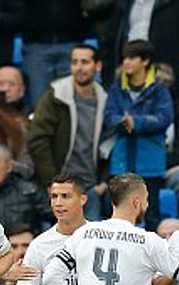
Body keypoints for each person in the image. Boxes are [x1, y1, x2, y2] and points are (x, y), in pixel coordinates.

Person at [103, 40, 174, 233]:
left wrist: (137, 122)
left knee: (150, 215)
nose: (126, 62)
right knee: (117, 215)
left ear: (145, 61)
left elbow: (164, 118)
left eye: (132, 58)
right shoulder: (117, 89)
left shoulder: (160, 90)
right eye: (125, 58)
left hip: (150, 163)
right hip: (122, 162)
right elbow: (108, 116)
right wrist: (121, 121)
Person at [28, 44, 107, 215]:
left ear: (98, 66)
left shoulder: (106, 100)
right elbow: (38, 140)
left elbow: (110, 144)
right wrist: (51, 182)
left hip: (91, 187)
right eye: (74, 62)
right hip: (59, 186)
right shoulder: (55, 96)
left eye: (85, 62)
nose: (79, 68)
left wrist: (103, 184)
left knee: (91, 240)